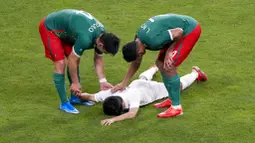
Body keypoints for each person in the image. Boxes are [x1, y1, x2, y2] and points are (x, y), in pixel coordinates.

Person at [112, 14, 203, 118]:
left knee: (169, 66)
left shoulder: (152, 40)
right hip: (175, 31)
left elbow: (179, 32)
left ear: (137, 49)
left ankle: (176, 107)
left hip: (189, 30)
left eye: (140, 54)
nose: (141, 55)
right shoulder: (137, 41)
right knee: (160, 64)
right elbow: (136, 62)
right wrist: (124, 83)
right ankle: (172, 98)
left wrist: (169, 50)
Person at [39, 9, 120, 114]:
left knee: (75, 60)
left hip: (68, 31)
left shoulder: (102, 34)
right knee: (61, 63)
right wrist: (75, 82)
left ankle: (75, 98)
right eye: (104, 51)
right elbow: (73, 59)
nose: (103, 53)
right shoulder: (85, 39)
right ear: (101, 45)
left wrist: (102, 81)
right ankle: (64, 103)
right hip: (50, 28)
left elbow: (98, 58)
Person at [77, 65, 207, 125]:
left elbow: (132, 114)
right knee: (143, 78)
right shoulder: (109, 94)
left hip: (152, 90)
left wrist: (113, 119)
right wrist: (80, 95)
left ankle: (196, 73)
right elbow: (91, 96)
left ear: (122, 105)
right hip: (137, 84)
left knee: (176, 87)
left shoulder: (132, 98)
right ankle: (154, 67)